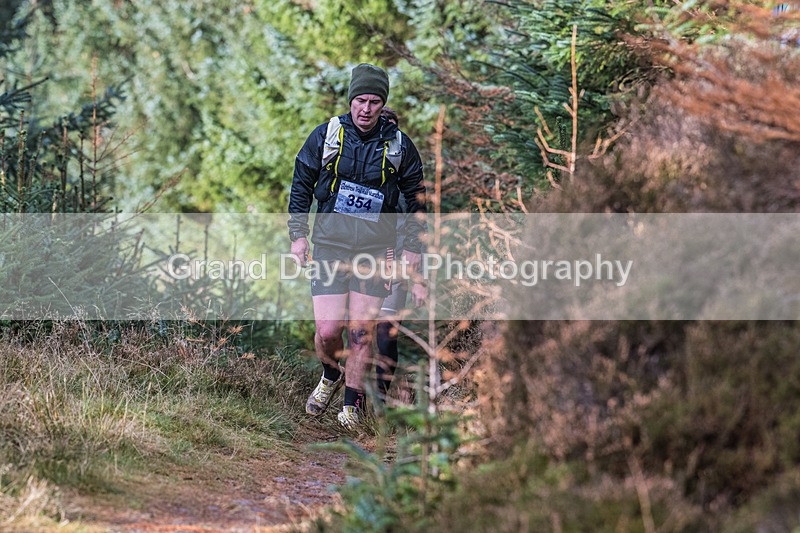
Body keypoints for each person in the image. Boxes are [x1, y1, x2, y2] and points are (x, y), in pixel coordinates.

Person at [288, 64, 427, 429]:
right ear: (351, 100)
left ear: (383, 104)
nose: (366, 108)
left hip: (376, 248)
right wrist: (298, 235)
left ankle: (351, 406)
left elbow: (417, 198)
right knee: (329, 330)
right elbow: (301, 184)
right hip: (331, 243)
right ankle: (330, 375)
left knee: (361, 332)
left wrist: (413, 246)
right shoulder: (327, 135)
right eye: (361, 100)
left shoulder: (398, 145)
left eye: (375, 101)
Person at [374, 107, 428, 403]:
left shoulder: (408, 177)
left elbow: (419, 231)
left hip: (396, 265)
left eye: (391, 127)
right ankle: (353, 394)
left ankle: (380, 399)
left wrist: (420, 280)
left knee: (386, 333)